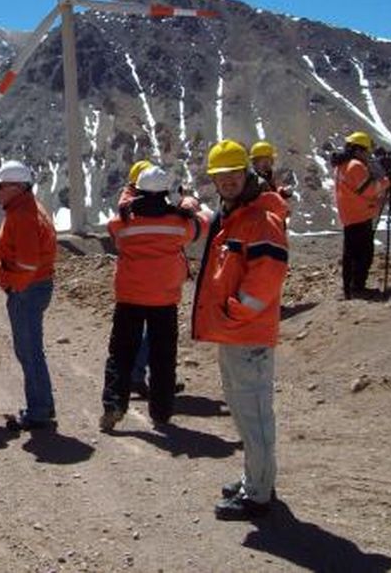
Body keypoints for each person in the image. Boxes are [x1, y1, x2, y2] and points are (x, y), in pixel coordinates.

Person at [191, 140, 288, 521]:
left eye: (233, 173)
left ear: (245, 172)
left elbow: (267, 277)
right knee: (244, 410)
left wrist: (236, 312)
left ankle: (258, 495)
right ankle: (256, 477)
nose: (227, 180)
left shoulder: (259, 219)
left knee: (254, 414)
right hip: (236, 332)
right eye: (220, 175)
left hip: (246, 332)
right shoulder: (238, 213)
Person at [101, 166, 208, 431]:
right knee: (163, 358)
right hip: (165, 300)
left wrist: (128, 195)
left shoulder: (123, 224)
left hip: (129, 298)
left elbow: (113, 224)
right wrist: (188, 203)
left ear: (137, 192)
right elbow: (204, 220)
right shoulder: (178, 224)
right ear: (164, 193)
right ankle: (161, 413)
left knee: (121, 355)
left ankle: (114, 405)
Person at [0, 160, 58, 431]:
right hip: (35, 287)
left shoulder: (22, 215)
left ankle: (39, 411)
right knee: (31, 350)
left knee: (29, 351)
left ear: (16, 187)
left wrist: (12, 285)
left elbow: (27, 264)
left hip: (27, 291)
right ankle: (42, 404)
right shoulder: (29, 209)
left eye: (0, 186)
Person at [333, 131, 391, 300]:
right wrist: (386, 181)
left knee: (350, 253)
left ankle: (349, 289)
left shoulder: (341, 166)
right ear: (359, 150)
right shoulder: (355, 166)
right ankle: (357, 288)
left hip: (350, 215)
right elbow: (369, 189)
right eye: (367, 151)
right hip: (359, 215)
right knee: (363, 254)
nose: (368, 155)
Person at [119, 159, 153, 397]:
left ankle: (140, 374)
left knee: (144, 330)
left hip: (135, 278)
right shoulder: (133, 207)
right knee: (151, 331)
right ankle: (138, 374)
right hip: (148, 280)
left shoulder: (127, 205)